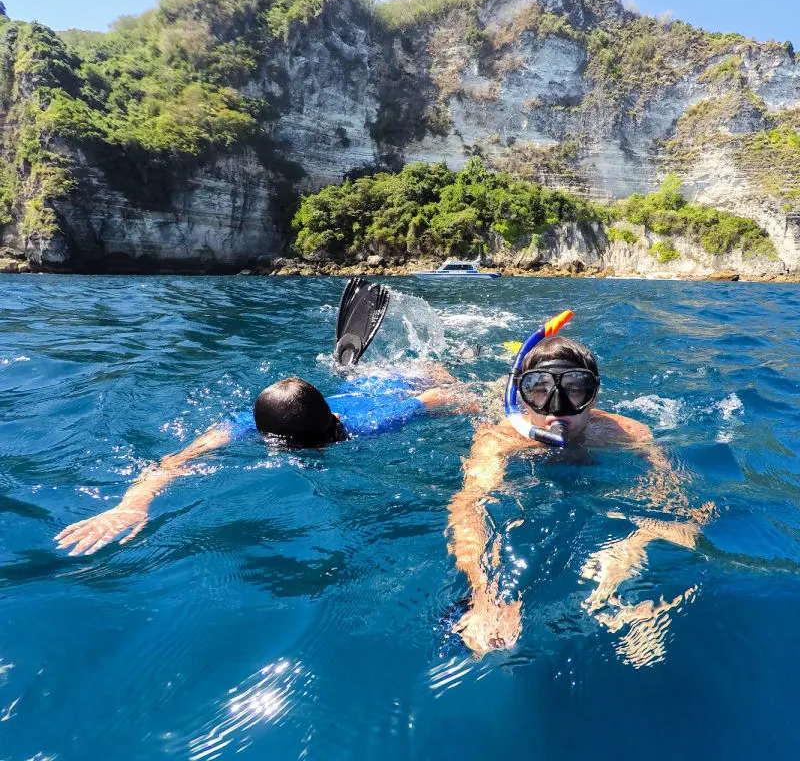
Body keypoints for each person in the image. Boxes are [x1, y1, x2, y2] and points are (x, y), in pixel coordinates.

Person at [55, 278, 466, 557]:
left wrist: (131, 506)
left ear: (261, 429)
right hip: (382, 390)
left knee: (407, 373)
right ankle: (355, 370)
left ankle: (352, 369)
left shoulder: (244, 426)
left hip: (383, 387)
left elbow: (176, 462)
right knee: (428, 369)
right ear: (334, 415)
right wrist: (462, 392)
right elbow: (440, 394)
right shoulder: (366, 424)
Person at [447, 325, 714, 663]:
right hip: (487, 416)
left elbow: (673, 505)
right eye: (539, 390)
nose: (556, 408)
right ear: (521, 397)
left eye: (575, 390)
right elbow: (470, 507)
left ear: (595, 395)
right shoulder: (499, 440)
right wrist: (484, 594)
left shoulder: (626, 434)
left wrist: (627, 555)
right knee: (462, 400)